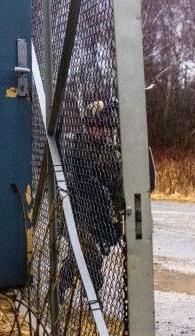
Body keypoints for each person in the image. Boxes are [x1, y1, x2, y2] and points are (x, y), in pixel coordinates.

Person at [58, 97, 123, 296]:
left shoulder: (113, 155)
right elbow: (72, 184)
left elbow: (117, 191)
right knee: (90, 254)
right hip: (73, 214)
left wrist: (116, 219)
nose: (104, 131)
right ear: (89, 125)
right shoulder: (75, 147)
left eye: (108, 127)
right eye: (98, 126)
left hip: (98, 217)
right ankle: (90, 296)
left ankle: (61, 289)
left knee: (82, 254)